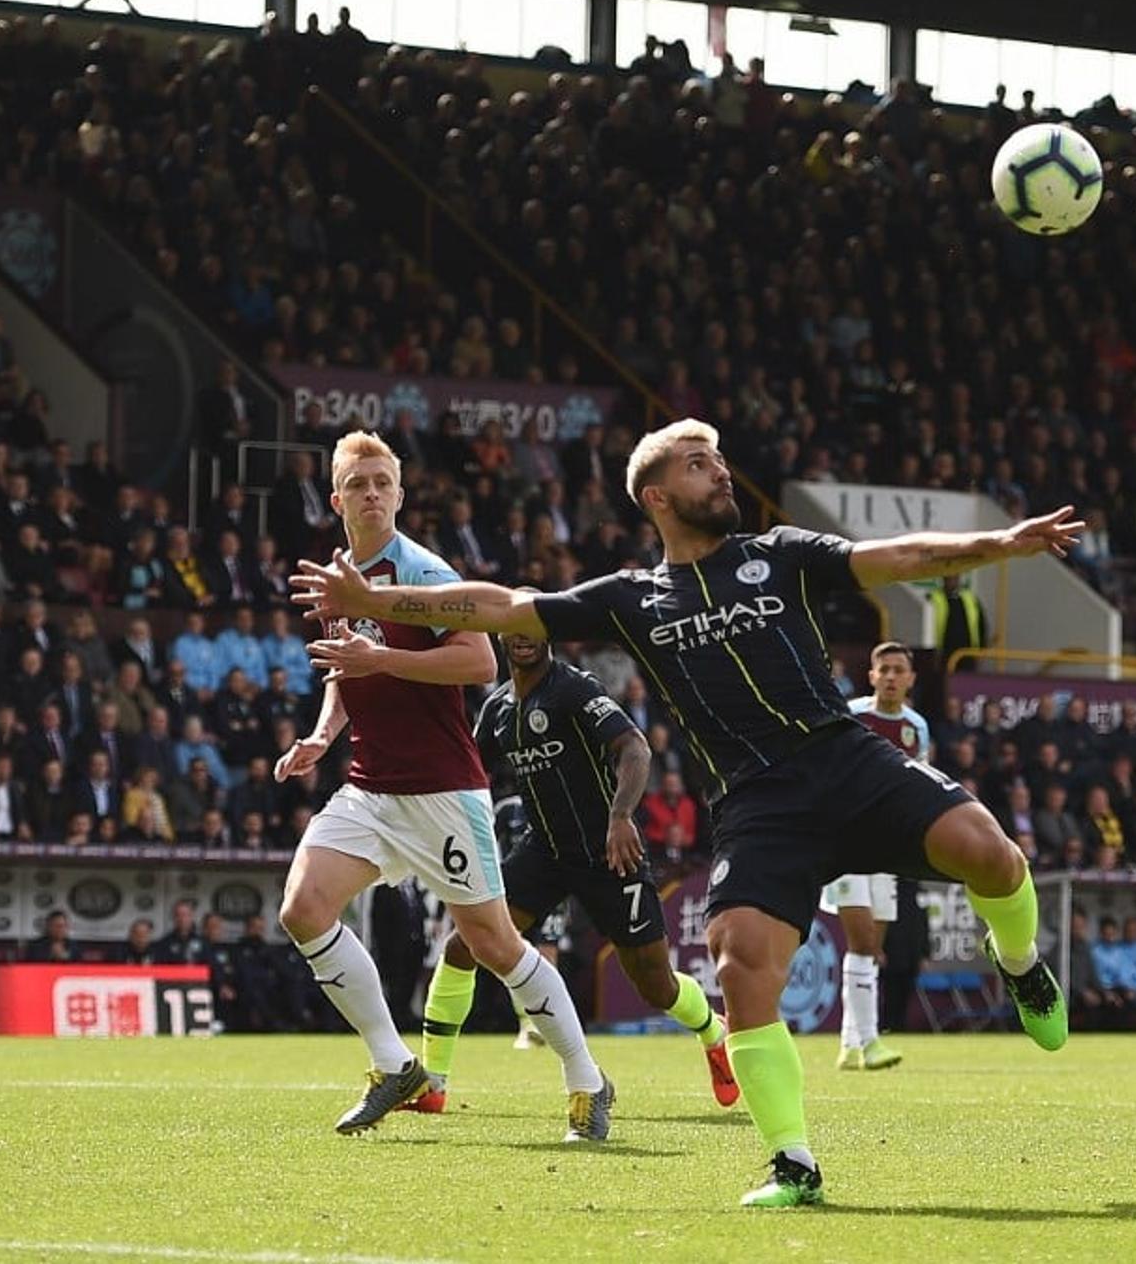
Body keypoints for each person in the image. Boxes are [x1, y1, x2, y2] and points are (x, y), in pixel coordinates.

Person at [298, 417, 1073, 1208]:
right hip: (759, 802)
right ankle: (793, 1164)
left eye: (721, 460)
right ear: (659, 495)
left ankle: (1018, 964)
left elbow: (897, 558)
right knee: (738, 963)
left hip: (847, 760)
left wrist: (1005, 542)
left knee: (993, 854)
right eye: (702, 465)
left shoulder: (780, 553)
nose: (722, 473)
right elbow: (502, 605)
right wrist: (375, 598)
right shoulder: (634, 598)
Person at [274, 431, 611, 1140]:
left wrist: (381, 657)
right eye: (358, 483)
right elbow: (348, 668)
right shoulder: (341, 576)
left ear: (399, 494)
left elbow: (478, 664)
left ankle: (587, 1078)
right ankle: (395, 1064)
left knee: (494, 945)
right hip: (371, 786)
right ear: (336, 498)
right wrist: (322, 734)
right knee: (303, 910)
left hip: (440, 791)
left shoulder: (423, 574)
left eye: (382, 482)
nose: (371, 493)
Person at [403, 628, 736, 1115]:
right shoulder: (498, 711)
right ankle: (433, 1084)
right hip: (543, 852)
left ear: (549, 636)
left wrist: (621, 817)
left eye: (533, 629)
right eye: (512, 629)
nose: (522, 637)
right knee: (465, 945)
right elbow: (470, 774)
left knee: (655, 984)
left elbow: (635, 749)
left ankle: (713, 1031)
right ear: (499, 637)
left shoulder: (575, 689)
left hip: (606, 851)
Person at [823, 640, 930, 1071]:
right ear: (870, 675)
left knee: (870, 948)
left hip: (887, 848)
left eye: (897, 669)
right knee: (863, 939)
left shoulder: (916, 727)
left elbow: (919, 784)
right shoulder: (852, 715)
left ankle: (849, 1043)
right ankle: (869, 1043)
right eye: (882, 668)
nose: (889, 676)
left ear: (910, 678)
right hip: (847, 843)